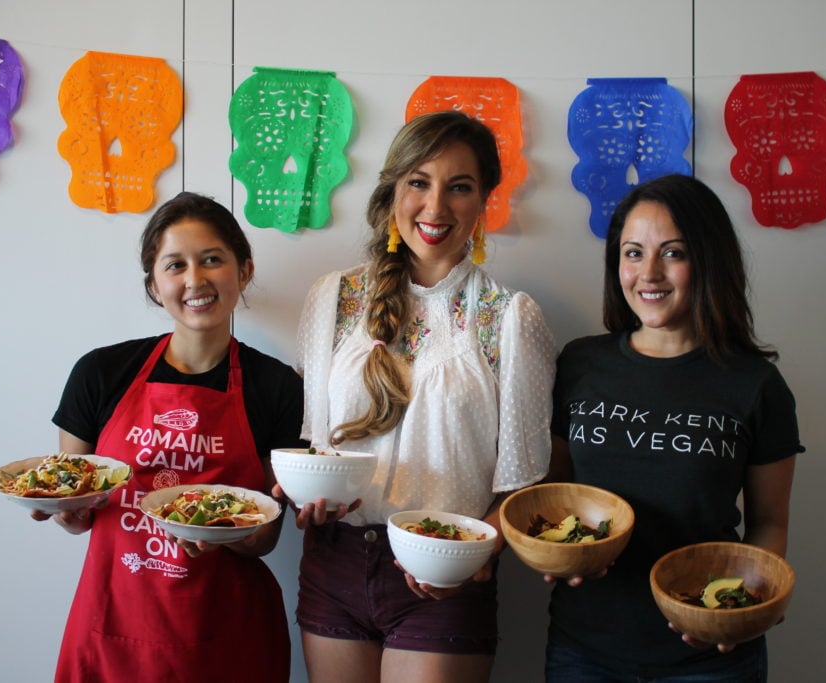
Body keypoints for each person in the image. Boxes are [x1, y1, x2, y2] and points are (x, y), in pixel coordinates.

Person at [286, 110, 556, 683]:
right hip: (333, 562)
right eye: (419, 182)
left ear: (484, 203)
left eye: (459, 188)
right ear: (393, 192)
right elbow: (314, 444)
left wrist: (467, 558)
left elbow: (523, 485)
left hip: (446, 575)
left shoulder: (509, 317)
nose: (435, 209)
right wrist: (303, 494)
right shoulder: (332, 299)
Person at [545, 174, 803, 682]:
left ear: (708, 260)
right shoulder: (579, 364)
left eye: (674, 253)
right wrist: (560, 554)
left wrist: (747, 603)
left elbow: (770, 523)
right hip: (585, 648)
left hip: (710, 658)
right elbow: (555, 495)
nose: (649, 273)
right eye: (633, 252)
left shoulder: (755, 384)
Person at [38, 192, 304, 682]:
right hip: (114, 630)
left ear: (243, 272)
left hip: (228, 636)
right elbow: (76, 506)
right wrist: (64, 510)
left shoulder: (277, 386)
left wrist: (223, 531)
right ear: (154, 284)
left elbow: (267, 534)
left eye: (212, 260)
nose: (195, 280)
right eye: (175, 265)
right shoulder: (100, 373)